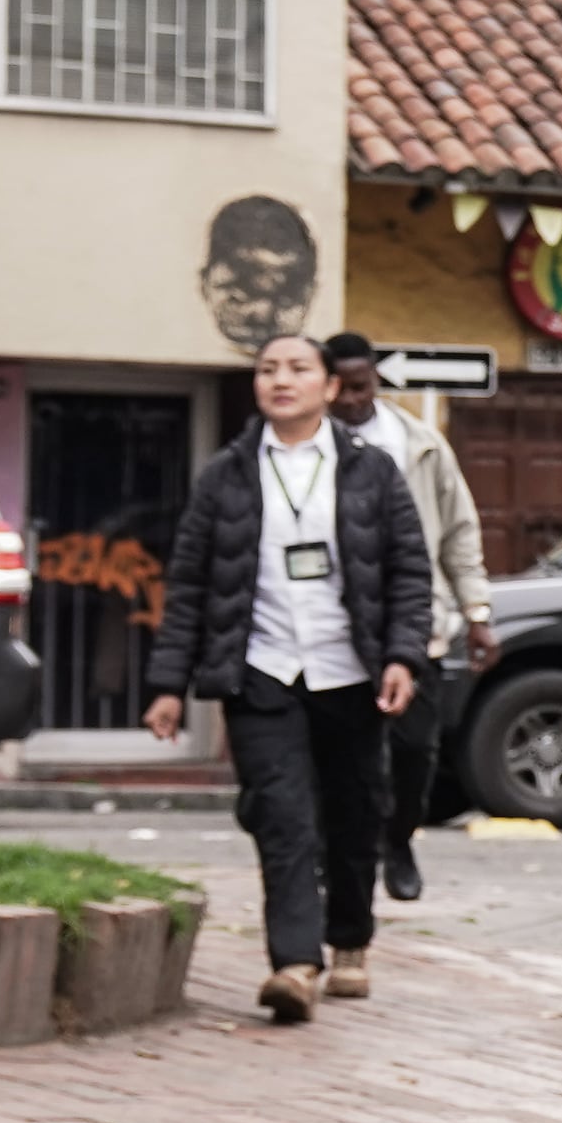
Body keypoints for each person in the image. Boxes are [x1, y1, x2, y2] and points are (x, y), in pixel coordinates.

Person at [141, 335, 430, 1024]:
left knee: (356, 810)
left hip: (349, 671)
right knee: (282, 816)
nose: (281, 380)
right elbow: (190, 585)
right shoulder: (226, 475)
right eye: (268, 370)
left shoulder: (373, 472)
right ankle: (295, 964)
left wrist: (402, 656)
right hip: (262, 670)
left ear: (330, 387)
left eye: (298, 369)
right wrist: (168, 684)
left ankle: (351, 939)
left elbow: (408, 573)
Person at [318, 333, 494, 904]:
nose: (348, 400)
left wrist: (477, 611)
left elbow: (460, 529)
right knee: (344, 756)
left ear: (376, 382)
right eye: (338, 388)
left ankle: (399, 839)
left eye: (360, 387)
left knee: (416, 752)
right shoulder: (308, 446)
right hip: (337, 631)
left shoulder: (419, 444)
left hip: (418, 625)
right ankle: (346, 853)